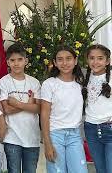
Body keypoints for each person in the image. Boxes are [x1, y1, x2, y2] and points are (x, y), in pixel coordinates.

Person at [41, 46, 88, 173]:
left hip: (75, 135)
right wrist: (47, 143)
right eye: (60, 59)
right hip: (55, 135)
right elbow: (44, 114)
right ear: (55, 63)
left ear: (75, 60)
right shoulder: (49, 84)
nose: (65, 63)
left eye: (68, 59)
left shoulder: (81, 83)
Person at [0, 43, 41, 173]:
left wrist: (17, 104)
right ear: (8, 62)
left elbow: (39, 109)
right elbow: (6, 110)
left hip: (32, 137)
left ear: (26, 61)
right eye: (12, 60)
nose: (16, 63)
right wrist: (29, 104)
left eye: (20, 59)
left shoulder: (34, 82)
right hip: (12, 137)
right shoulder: (3, 82)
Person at [82, 44, 112, 173]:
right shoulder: (84, 78)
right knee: (100, 169)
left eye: (100, 58)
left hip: (109, 128)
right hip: (91, 129)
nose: (95, 62)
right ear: (87, 60)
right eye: (92, 58)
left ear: (107, 61)